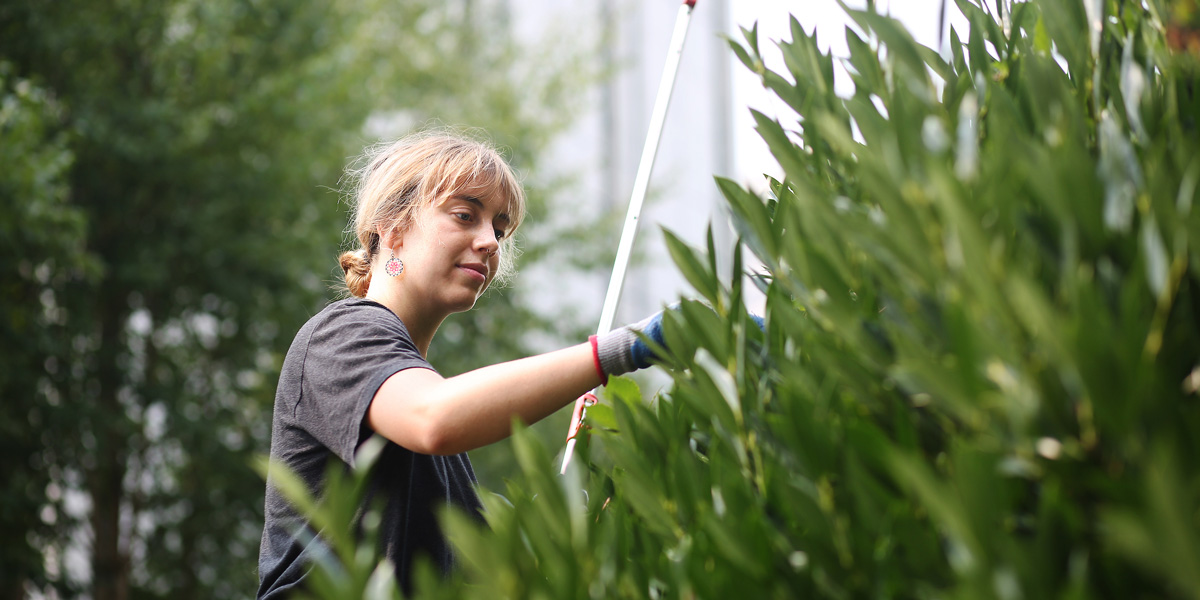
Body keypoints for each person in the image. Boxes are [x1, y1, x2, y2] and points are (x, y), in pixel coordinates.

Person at [256, 131, 666, 598]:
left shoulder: (444, 447)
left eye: (500, 228)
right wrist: (624, 349)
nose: (490, 241)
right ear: (393, 228)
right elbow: (434, 419)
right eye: (465, 215)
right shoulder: (343, 334)